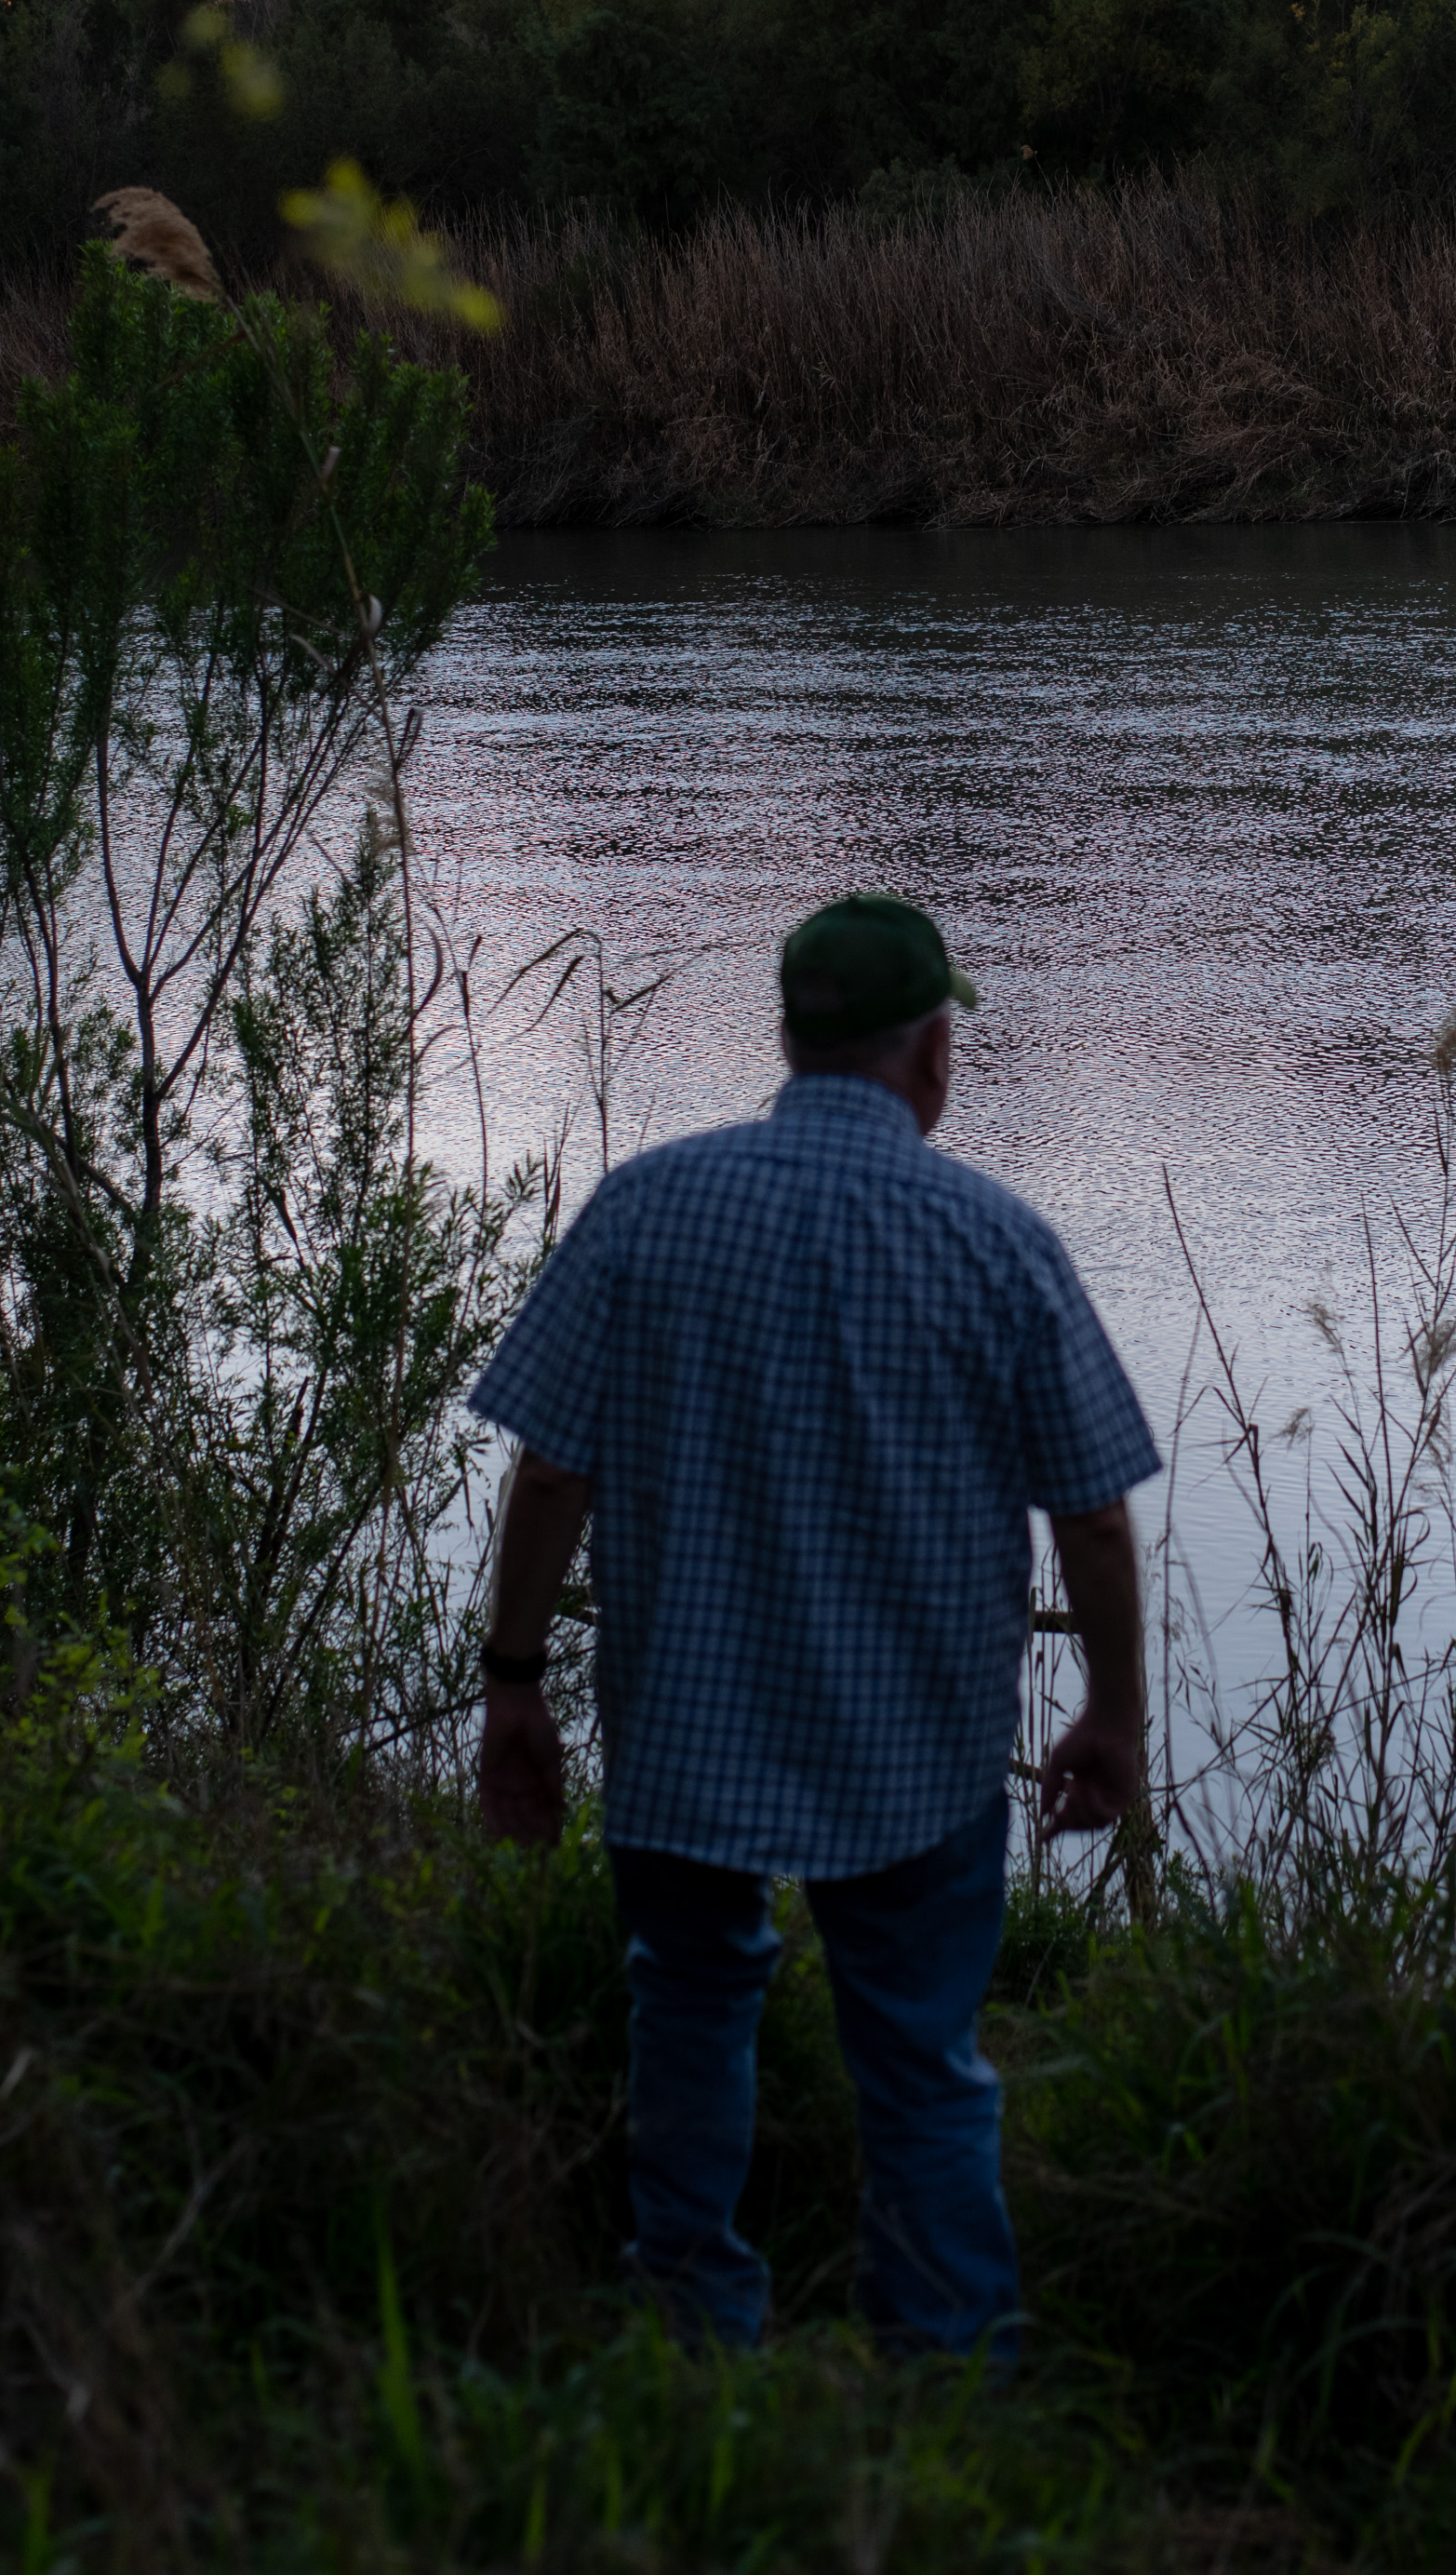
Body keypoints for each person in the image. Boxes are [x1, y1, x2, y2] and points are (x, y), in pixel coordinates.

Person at [465, 892, 1159, 2359]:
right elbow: (1093, 1516)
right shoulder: (997, 1239)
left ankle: (691, 2324)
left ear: (789, 1035)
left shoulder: (646, 1205)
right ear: (934, 1053)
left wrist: (512, 1680)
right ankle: (943, 2365)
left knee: (689, 2006)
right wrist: (1116, 1709)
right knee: (918, 2057)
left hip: (684, 1740)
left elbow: (550, 1468)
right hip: (913, 1751)